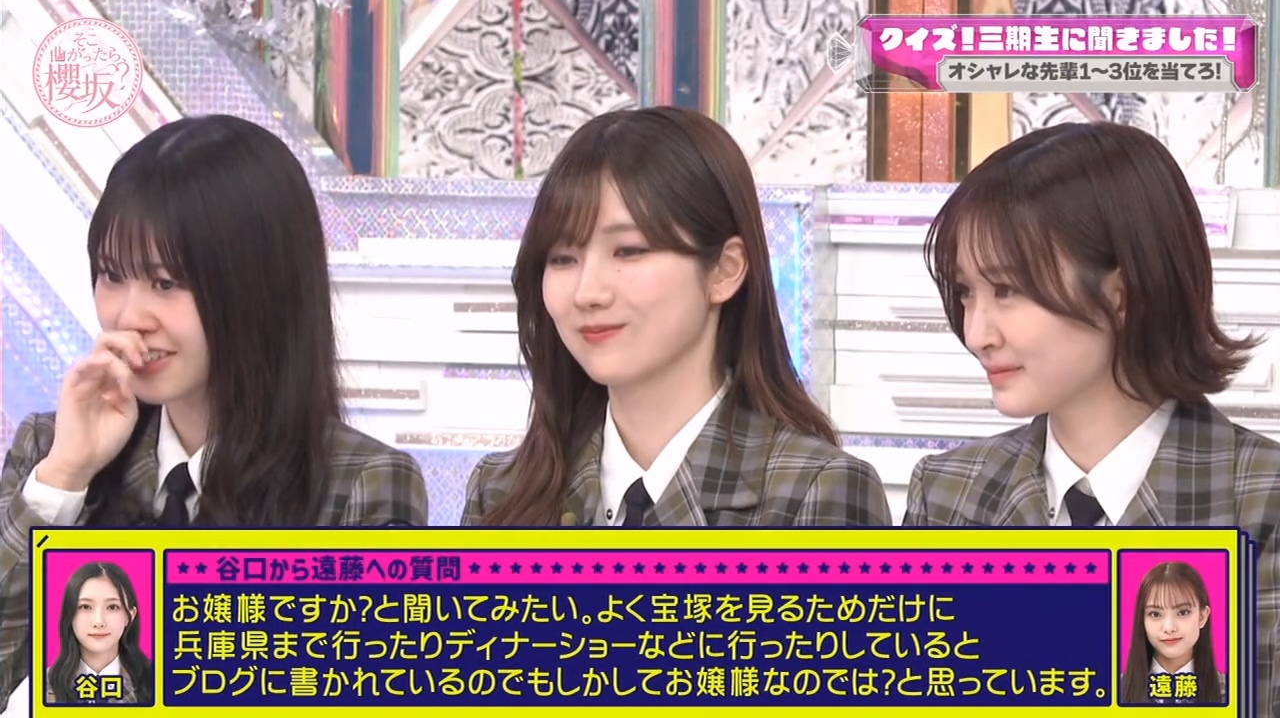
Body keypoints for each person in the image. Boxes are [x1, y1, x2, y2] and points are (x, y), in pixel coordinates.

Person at [0, 114, 429, 709]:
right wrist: (64, 479)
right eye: (112, 275)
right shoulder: (51, 449)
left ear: (259, 286)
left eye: (166, 283)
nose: (128, 316)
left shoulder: (362, 484)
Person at [899, 122, 1278, 712]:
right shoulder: (948, 495)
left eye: (1006, 289)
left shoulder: (1262, 501)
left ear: (1121, 293)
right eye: (966, 291)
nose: (976, 333)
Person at [462, 106, 890, 527]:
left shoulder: (815, 490)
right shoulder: (501, 492)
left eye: (629, 251)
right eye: (562, 258)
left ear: (724, 270)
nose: (587, 293)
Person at [46, 562, 152, 705]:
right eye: (85, 607)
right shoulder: (36, 688)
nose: (99, 622)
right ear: (69, 615)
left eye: (112, 607)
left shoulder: (162, 684)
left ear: (130, 616)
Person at [1120, 561, 1223, 704]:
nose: (1169, 628)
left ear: (1202, 617)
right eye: (1155, 614)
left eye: (1183, 612)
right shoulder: (1113, 692)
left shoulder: (1233, 693)